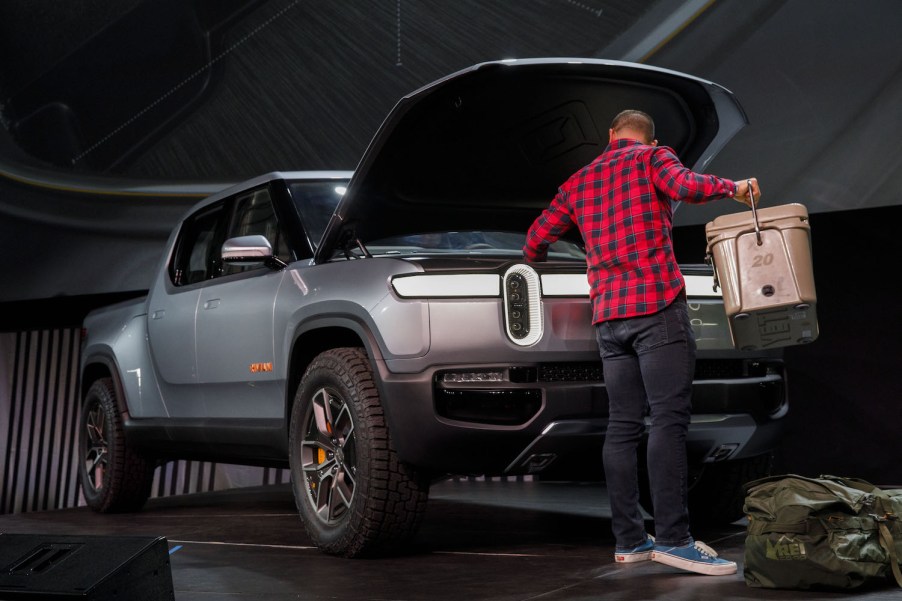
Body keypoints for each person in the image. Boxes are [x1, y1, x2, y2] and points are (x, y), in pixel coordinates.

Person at [522, 109, 759, 576]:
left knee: (622, 425)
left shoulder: (578, 181)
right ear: (650, 138)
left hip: (609, 319)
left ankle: (630, 540)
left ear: (611, 135)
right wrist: (735, 188)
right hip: (655, 310)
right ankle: (673, 539)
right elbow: (688, 187)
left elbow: (534, 240)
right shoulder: (652, 159)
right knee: (668, 420)